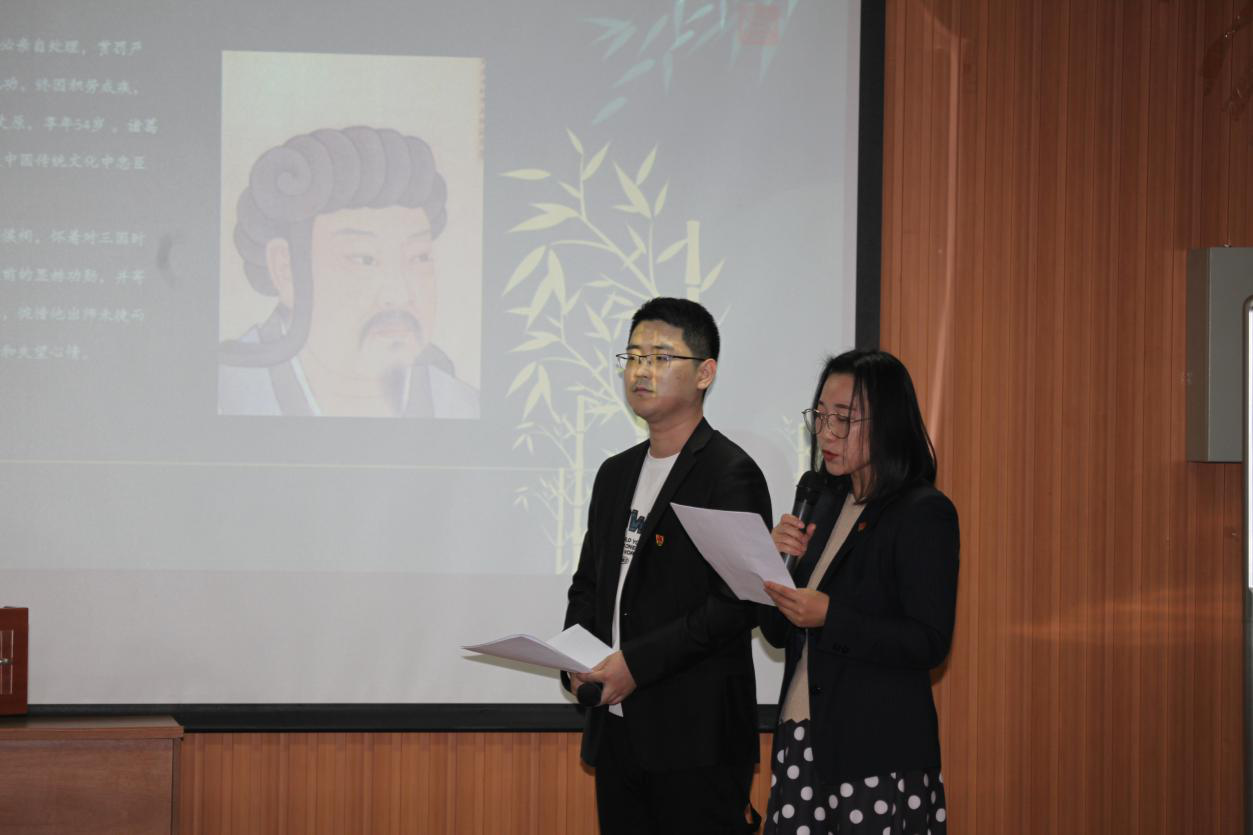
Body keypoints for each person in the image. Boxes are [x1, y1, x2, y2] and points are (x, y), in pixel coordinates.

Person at [563, 297, 771, 835]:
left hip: (695, 739)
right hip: (617, 732)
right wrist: (576, 658)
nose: (641, 370)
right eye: (633, 356)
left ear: (705, 373)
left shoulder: (729, 474)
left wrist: (635, 664)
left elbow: (736, 604)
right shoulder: (615, 474)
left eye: (659, 357)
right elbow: (589, 585)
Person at [760, 349, 958, 834]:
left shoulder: (922, 512)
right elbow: (777, 633)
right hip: (801, 741)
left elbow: (928, 642)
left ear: (888, 422)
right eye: (820, 416)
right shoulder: (821, 502)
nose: (826, 433)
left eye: (843, 419)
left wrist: (832, 617)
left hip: (875, 756)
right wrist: (772, 565)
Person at [217, 126, 479, 418]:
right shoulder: (223, 397)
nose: (399, 295)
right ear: (286, 270)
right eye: (364, 259)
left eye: (420, 257)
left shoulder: (462, 407)